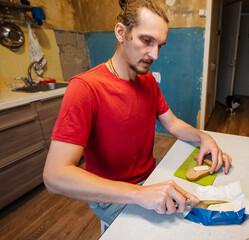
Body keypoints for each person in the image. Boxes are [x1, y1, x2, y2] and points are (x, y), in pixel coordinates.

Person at [43, 0, 232, 226]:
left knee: (207, 194)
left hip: (149, 175)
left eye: (160, 45)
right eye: (146, 41)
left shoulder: (147, 80)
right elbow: (54, 176)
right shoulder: (85, 88)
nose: (155, 55)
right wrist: (138, 194)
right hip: (112, 195)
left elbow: (172, 123)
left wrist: (204, 137)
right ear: (121, 33)